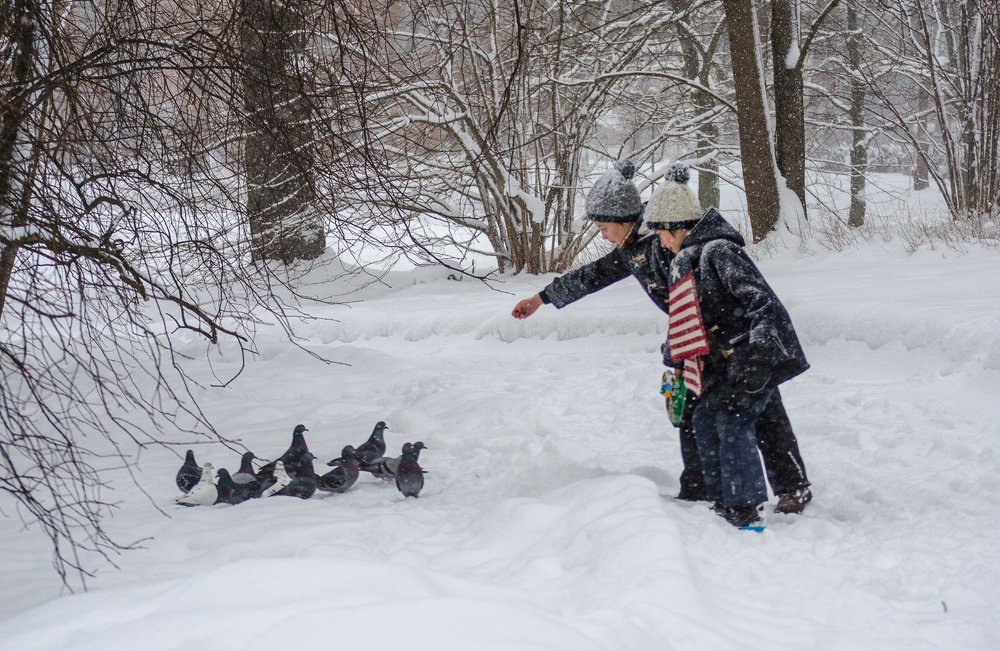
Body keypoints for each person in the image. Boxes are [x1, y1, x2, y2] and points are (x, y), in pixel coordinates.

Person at [512, 160, 812, 514]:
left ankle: (791, 487)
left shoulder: (668, 235)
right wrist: (543, 298)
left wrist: (754, 349)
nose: (602, 234)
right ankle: (701, 487)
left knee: (760, 412)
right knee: (692, 410)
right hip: (696, 342)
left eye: (604, 227)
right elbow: (593, 275)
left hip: (734, 338)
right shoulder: (632, 250)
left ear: (625, 221)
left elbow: (752, 298)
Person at [644, 167, 810, 527]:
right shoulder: (685, 261)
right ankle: (724, 497)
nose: (661, 242)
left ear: (678, 227)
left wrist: (759, 355)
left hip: (750, 358)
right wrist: (674, 357)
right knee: (706, 419)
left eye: (661, 233)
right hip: (721, 364)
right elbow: (691, 319)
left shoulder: (719, 252)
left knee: (734, 422)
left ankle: (744, 505)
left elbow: (763, 303)